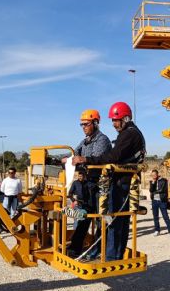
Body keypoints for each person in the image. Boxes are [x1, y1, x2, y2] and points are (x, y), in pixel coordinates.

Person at [72, 102, 145, 261]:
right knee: (117, 220)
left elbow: (112, 157)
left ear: (125, 118)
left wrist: (86, 159)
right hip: (121, 182)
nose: (113, 124)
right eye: (112, 120)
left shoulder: (129, 134)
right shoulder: (128, 133)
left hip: (121, 183)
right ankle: (109, 252)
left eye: (116, 120)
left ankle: (111, 256)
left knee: (112, 221)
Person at [62, 109, 112, 257]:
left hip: (101, 186)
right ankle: (75, 249)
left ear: (95, 123)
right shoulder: (84, 141)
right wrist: (63, 159)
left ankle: (98, 250)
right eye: (81, 125)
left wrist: (81, 159)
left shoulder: (102, 140)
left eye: (86, 124)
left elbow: (95, 158)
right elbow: (74, 154)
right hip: (88, 186)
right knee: (83, 218)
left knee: (102, 220)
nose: (84, 127)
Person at [67, 169, 91, 257]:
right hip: (78, 205)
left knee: (82, 225)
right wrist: (74, 201)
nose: (80, 178)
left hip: (86, 206)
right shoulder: (75, 183)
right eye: (78, 176)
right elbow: (70, 194)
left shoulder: (87, 183)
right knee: (77, 223)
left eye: (81, 176)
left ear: (84, 176)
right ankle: (74, 245)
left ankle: (79, 244)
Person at [150, 169, 170, 238]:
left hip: (162, 201)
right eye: (152, 175)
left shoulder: (164, 180)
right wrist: (153, 183)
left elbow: (162, 190)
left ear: (157, 174)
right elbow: (150, 190)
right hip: (154, 201)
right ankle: (157, 230)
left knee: (165, 217)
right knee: (155, 217)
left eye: (154, 175)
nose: (153, 176)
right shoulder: (152, 181)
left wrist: (154, 191)